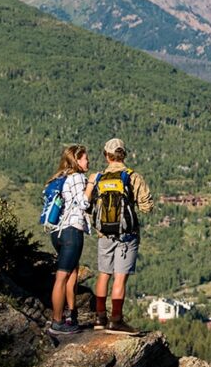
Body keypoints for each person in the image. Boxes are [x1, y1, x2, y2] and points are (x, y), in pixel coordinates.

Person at [86, 138, 153, 334]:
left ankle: (99, 317)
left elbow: (88, 205)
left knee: (103, 274)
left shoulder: (97, 177)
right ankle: (116, 319)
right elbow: (147, 206)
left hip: (104, 234)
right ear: (123, 154)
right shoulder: (132, 177)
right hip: (127, 235)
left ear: (106, 156)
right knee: (120, 278)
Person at [46, 144, 91, 336]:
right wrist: (91, 184)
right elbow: (83, 203)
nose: (88, 161)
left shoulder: (59, 178)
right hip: (72, 231)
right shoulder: (78, 178)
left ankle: (71, 315)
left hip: (57, 232)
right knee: (62, 277)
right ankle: (57, 322)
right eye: (85, 158)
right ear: (77, 160)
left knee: (72, 273)